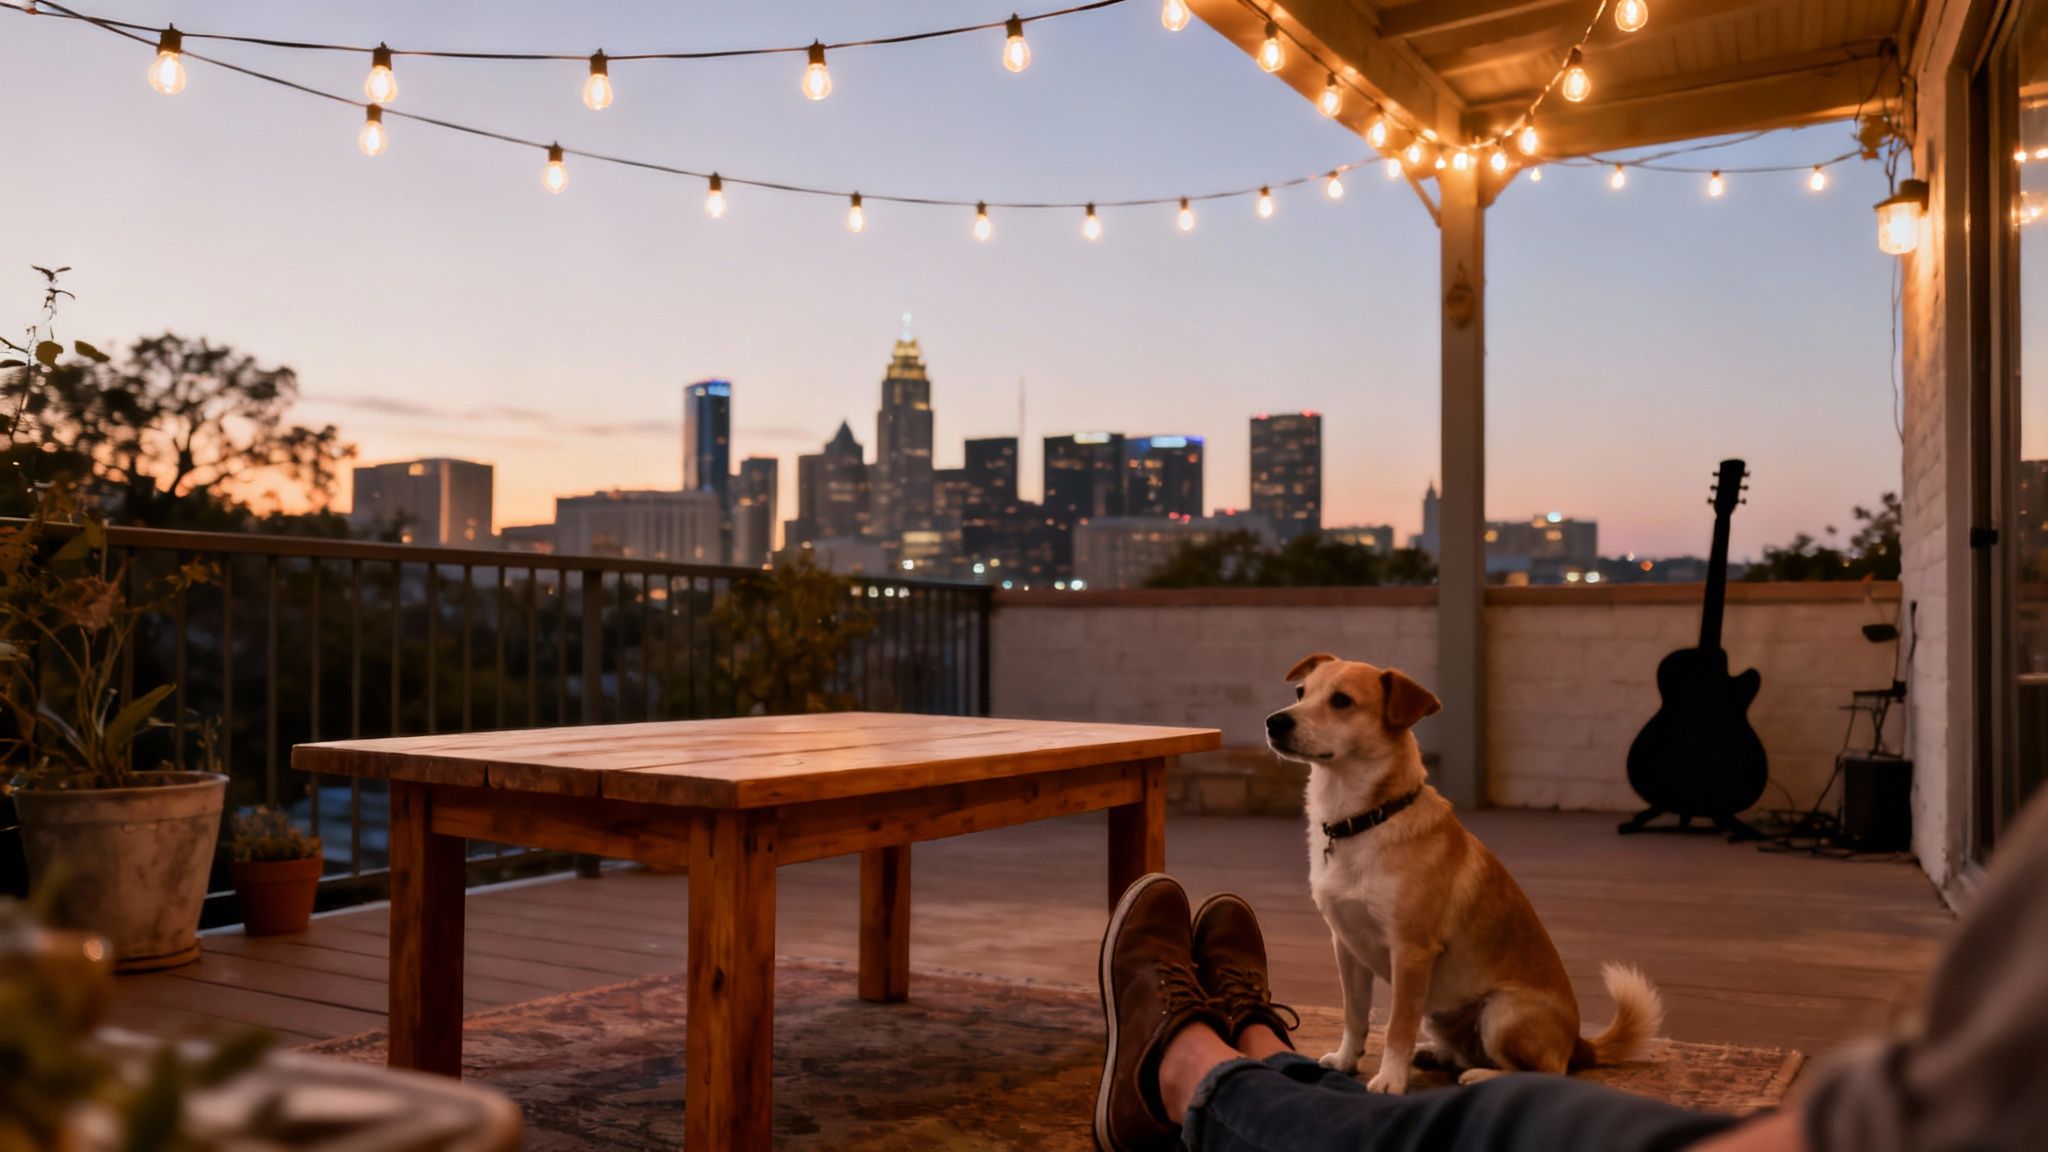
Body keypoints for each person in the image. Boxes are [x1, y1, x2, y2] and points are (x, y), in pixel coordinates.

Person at [1096, 788, 2048, 1152]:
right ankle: (1262, 1045)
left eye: (1334, 701)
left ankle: (1185, 1067)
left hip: (1513, 1023)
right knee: (1451, 1106)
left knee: (1468, 1116)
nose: (1304, 714)